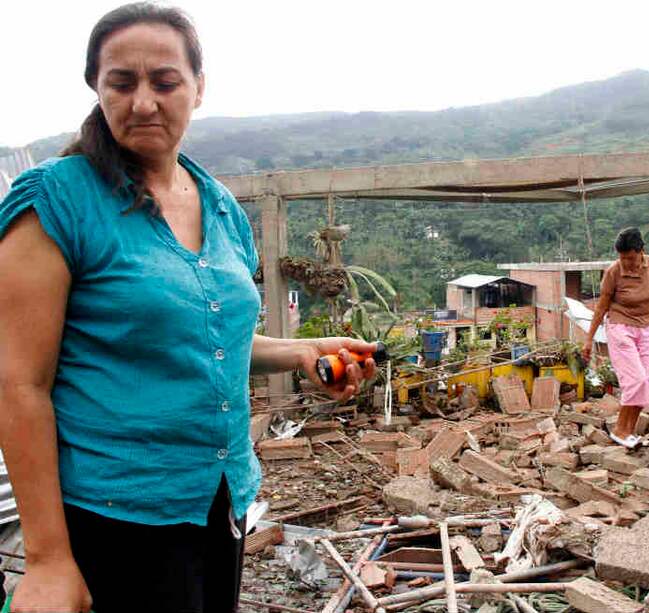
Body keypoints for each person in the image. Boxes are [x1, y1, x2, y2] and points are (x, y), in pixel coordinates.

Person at [0, 4, 377, 611]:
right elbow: (20, 384)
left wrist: (304, 352)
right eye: (122, 83)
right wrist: (47, 560)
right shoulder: (57, 200)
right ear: (96, 88)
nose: (144, 102)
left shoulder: (221, 205)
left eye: (165, 82)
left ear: (198, 88)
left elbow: (205, 341)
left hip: (218, 502)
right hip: (113, 514)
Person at [582, 228, 649, 448]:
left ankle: (628, 432)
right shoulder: (613, 272)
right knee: (635, 380)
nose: (626, 262)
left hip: (646, 328)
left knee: (648, 384)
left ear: (641, 252)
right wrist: (589, 339)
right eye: (622, 258)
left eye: (630, 257)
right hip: (620, 327)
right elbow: (601, 307)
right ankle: (620, 429)